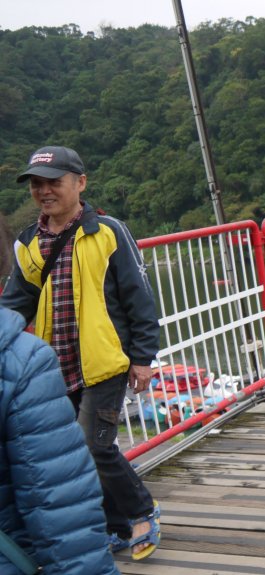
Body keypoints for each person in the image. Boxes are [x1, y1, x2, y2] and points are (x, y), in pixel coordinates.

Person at [0, 146, 161, 561]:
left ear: (80, 182)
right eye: (37, 184)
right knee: (77, 452)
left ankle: (143, 510)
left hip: (105, 362)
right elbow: (15, 302)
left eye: (54, 181)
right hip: (56, 365)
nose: (44, 191)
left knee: (95, 445)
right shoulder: (29, 242)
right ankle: (116, 525)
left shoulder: (108, 231)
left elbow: (138, 297)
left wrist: (143, 357)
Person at [0, 306, 121, 574]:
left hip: (104, 374)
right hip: (69, 374)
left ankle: (135, 513)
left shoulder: (20, 360)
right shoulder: (19, 358)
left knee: (101, 447)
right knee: (93, 452)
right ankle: (126, 519)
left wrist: (142, 357)